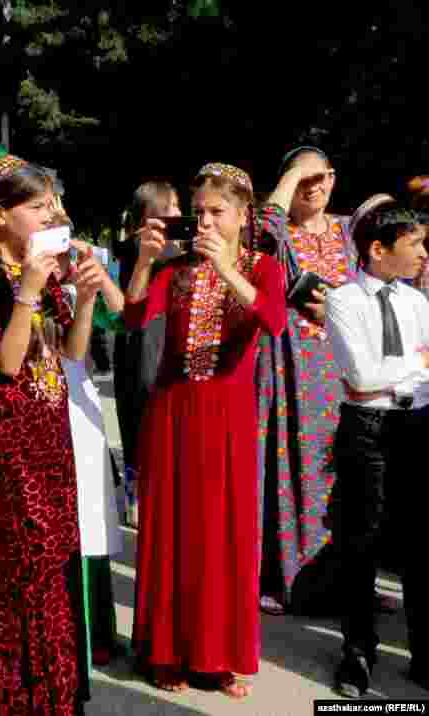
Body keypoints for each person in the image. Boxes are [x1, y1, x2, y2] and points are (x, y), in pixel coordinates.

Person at [0, 155, 102, 714]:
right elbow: (7, 364)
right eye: (37, 207)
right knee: (24, 572)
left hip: (54, 434)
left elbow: (72, 353)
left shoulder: (44, 268)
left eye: (51, 206)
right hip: (13, 445)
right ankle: (21, 697)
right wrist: (30, 288)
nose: (49, 216)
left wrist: (86, 298)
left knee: (57, 566)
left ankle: (59, 691)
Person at [126, 163, 286, 698]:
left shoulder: (263, 267)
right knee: (172, 532)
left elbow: (272, 320)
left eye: (217, 211)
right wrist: (144, 262)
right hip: (171, 412)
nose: (206, 222)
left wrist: (225, 269)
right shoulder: (177, 269)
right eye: (199, 212)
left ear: (244, 215)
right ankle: (165, 652)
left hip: (229, 420)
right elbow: (132, 318)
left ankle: (219, 658)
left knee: (223, 537)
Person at [324, 194, 428, 698]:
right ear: (378, 250)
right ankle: (358, 649)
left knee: (418, 543)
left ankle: (423, 652)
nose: (424, 254)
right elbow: (361, 379)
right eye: (415, 244)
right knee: (361, 541)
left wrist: (398, 376)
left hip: (415, 426)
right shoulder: (344, 300)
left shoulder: (418, 303)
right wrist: (416, 368)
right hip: (366, 428)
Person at [255, 147, 359, 616]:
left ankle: (352, 581)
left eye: (321, 177)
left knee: (348, 478)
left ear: (334, 179)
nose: (313, 187)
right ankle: (290, 581)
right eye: (303, 180)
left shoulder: (350, 231)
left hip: (346, 370)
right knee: (293, 470)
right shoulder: (279, 236)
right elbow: (263, 228)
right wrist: (294, 171)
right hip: (292, 368)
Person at [56, 238, 125, 668]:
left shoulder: (77, 286)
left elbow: (122, 318)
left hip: (79, 407)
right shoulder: (16, 283)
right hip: (37, 404)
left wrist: (99, 280)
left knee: (92, 520)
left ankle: (96, 631)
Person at [112, 181, 181, 528]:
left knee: (135, 419)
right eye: (170, 208)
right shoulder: (146, 245)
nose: (179, 214)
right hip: (148, 339)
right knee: (143, 416)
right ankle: (141, 496)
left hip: (144, 339)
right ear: (149, 215)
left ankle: (137, 496)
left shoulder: (136, 245)